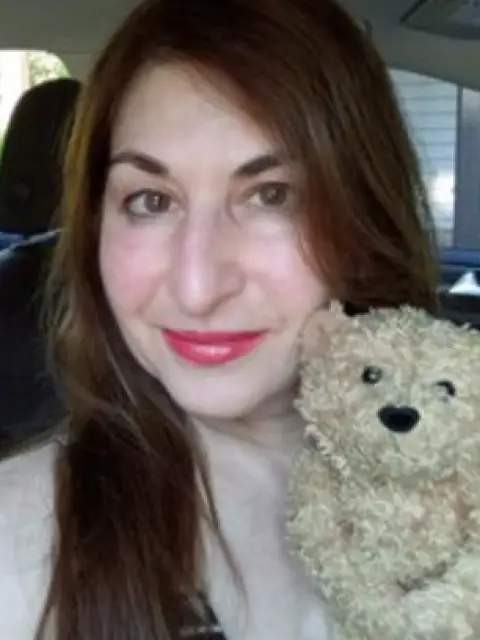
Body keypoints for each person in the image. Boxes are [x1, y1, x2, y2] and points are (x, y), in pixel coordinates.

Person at [0, 0, 438, 638]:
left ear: (365, 221)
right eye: (151, 201)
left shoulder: (453, 495)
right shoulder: (20, 544)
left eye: (272, 196)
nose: (197, 287)